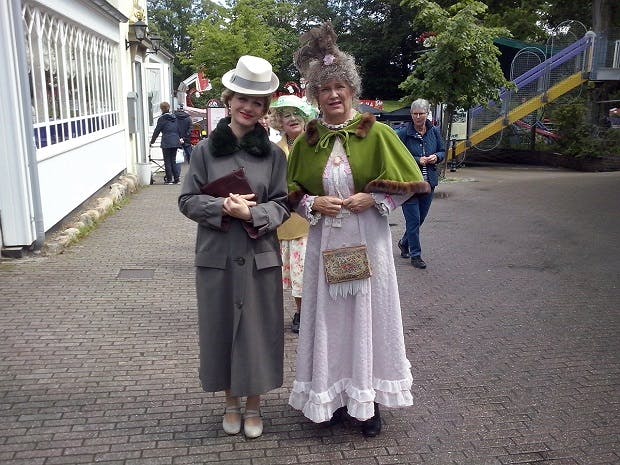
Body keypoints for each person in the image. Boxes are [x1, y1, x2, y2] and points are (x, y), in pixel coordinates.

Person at [286, 22, 430, 437]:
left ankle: (367, 404)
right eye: (324, 89)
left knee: (369, 320)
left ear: (352, 90)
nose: (333, 95)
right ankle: (328, 400)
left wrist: (377, 198)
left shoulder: (378, 132)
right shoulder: (308, 139)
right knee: (329, 322)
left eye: (339, 87)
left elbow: (410, 184)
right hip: (326, 244)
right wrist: (314, 202)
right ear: (315, 96)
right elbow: (291, 191)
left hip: (369, 241)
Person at [178, 55, 289, 439]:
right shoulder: (204, 151)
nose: (248, 107)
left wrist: (253, 216)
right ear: (229, 99)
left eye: (257, 102)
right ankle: (229, 403)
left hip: (260, 256)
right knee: (222, 328)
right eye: (242, 98)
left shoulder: (273, 155)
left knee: (258, 332)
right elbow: (186, 200)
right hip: (218, 255)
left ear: (264, 109)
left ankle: (255, 406)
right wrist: (223, 206)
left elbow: (282, 203)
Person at [270, 95, 315, 333]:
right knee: (291, 273)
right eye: (286, 115)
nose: (292, 118)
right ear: (279, 121)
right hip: (283, 221)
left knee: (305, 273)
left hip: (309, 219)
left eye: (297, 113)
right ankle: (300, 311)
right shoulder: (274, 150)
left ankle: (304, 313)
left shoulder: (314, 144)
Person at [395, 99, 445, 269]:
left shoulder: (434, 132)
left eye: (421, 113)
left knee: (420, 218)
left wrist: (436, 157)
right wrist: (417, 160)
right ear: (411, 115)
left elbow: (442, 151)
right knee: (414, 220)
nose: (417, 117)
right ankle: (416, 256)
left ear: (427, 114)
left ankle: (404, 242)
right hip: (409, 185)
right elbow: (396, 155)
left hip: (428, 183)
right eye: (414, 114)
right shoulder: (403, 133)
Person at [150, 101, 182, 184]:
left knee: (167, 161)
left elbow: (157, 131)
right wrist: (180, 138)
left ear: (161, 109)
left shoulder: (162, 119)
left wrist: (152, 141)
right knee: (173, 160)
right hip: (175, 141)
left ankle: (169, 179)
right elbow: (178, 129)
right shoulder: (174, 117)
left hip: (166, 141)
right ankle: (177, 179)